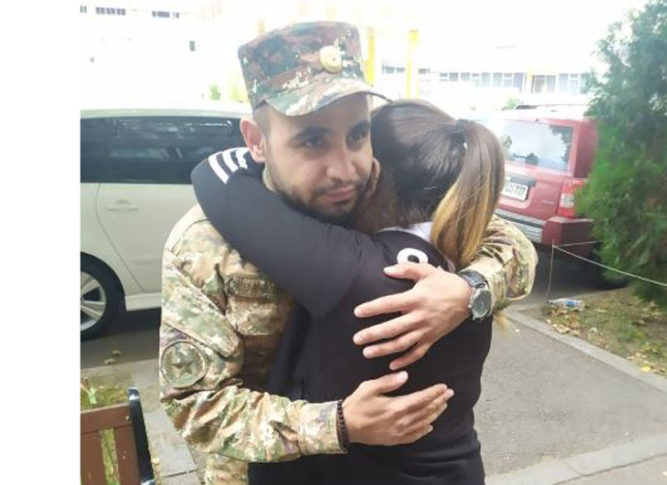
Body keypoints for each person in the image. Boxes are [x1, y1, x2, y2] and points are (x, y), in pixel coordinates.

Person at [160, 21, 537, 485]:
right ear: (256, 141)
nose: (345, 169)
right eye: (312, 141)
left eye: (358, 135)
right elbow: (195, 406)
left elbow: (511, 245)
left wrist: (470, 290)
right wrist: (333, 425)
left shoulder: (372, 194)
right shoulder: (205, 244)